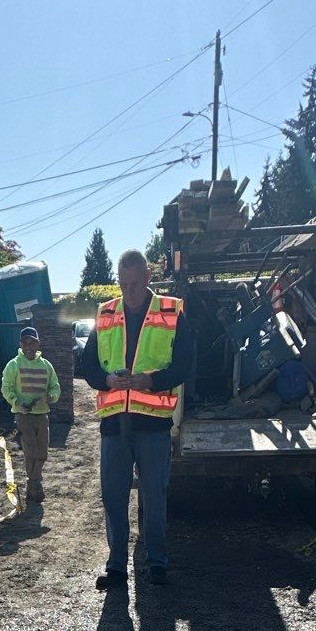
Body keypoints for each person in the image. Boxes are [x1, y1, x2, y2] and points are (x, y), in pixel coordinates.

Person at [77, 248, 193, 589]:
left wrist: (151, 380)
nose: (128, 290)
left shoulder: (171, 312)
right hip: (114, 424)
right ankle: (116, 568)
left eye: (135, 283)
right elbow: (88, 367)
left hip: (153, 424)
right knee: (113, 497)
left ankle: (156, 563)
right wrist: (109, 381)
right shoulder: (105, 313)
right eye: (123, 283)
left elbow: (185, 364)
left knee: (154, 496)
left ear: (147, 278)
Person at [0, 325, 60, 508]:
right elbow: (6, 388)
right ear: (20, 344)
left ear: (38, 343)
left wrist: (51, 397)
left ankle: (32, 483)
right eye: (25, 343)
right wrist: (17, 403)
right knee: (30, 450)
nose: (28, 346)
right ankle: (35, 485)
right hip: (23, 415)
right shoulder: (14, 365)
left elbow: (55, 387)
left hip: (42, 414)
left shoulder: (46, 365)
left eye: (32, 342)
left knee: (42, 452)